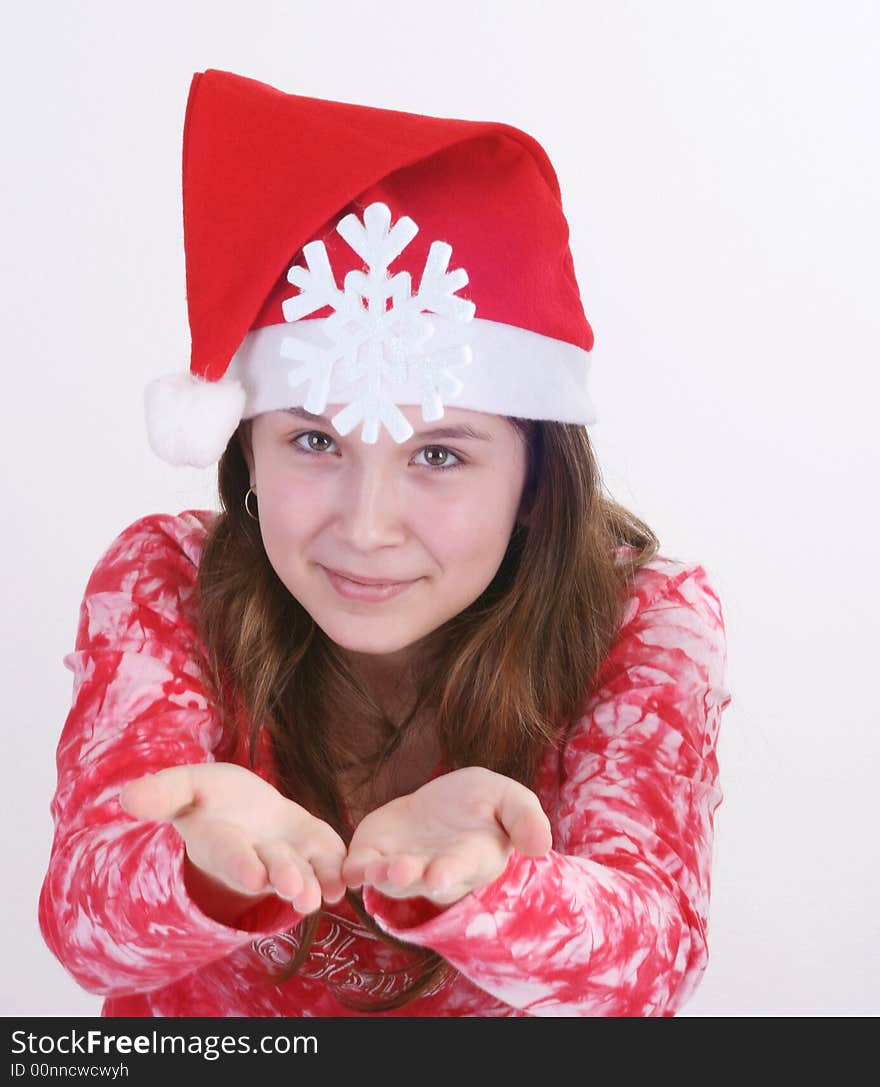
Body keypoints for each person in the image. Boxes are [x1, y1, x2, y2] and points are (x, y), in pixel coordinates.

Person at [38, 68, 732, 1017]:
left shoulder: (643, 619)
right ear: (247, 445)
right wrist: (203, 869)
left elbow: (650, 964)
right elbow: (86, 927)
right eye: (315, 441)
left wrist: (486, 888)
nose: (365, 527)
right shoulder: (165, 583)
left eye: (439, 453)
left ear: (536, 480)